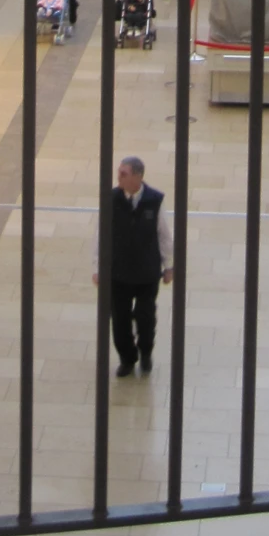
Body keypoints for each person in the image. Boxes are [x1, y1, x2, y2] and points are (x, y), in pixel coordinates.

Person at [92, 154, 173, 376]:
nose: (118, 176)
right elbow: (101, 234)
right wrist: (98, 268)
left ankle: (145, 352)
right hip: (118, 273)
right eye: (119, 172)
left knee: (146, 317)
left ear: (137, 176)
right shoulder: (111, 198)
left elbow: (164, 234)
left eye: (124, 173)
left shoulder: (155, 200)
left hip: (146, 272)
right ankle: (127, 358)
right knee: (119, 319)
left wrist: (169, 266)